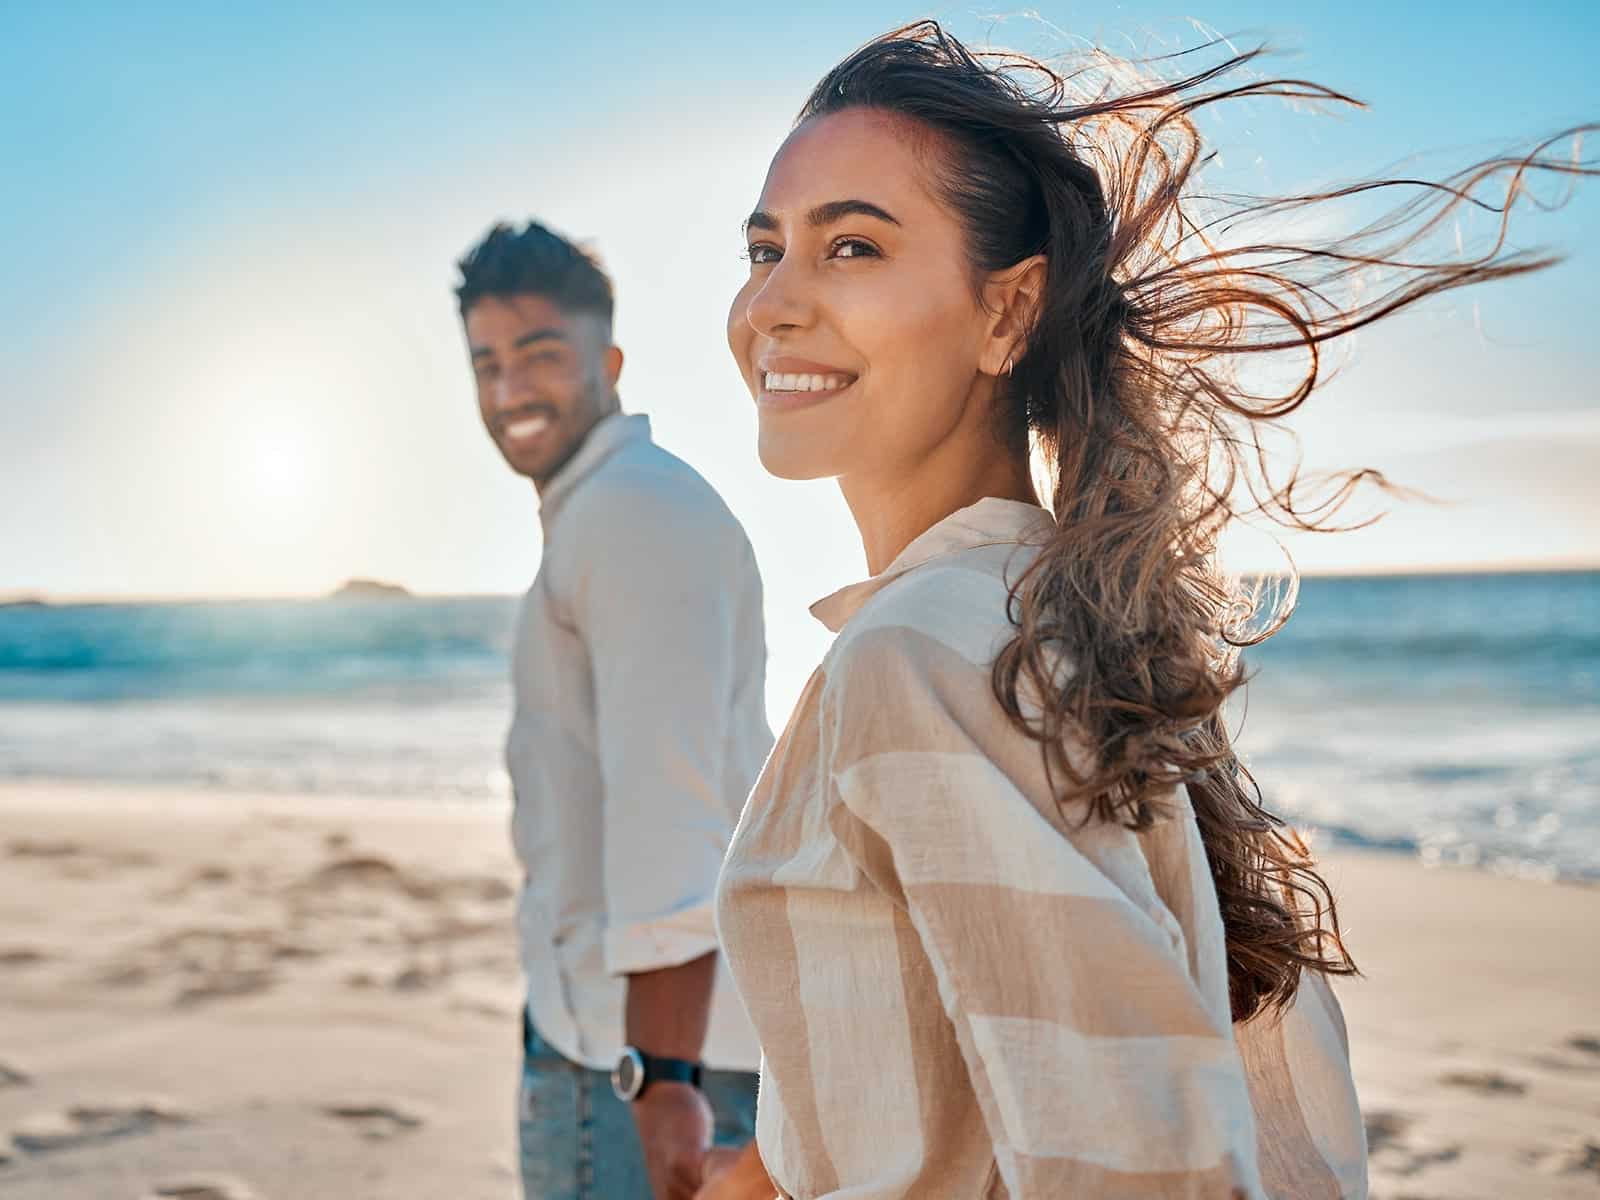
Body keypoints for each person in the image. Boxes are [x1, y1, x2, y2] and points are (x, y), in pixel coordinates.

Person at [710, 21, 1595, 1200]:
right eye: (762, 248)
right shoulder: (1045, 613)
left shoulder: (924, 655)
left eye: (852, 248)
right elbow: (971, 1049)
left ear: (1007, 315)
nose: (772, 301)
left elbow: (1135, 1161)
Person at [454, 221, 771, 1200]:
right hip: (606, 1037)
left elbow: (666, 805)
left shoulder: (633, 512)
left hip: (634, 1062)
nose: (509, 391)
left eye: (540, 354)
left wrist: (660, 1077)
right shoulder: (604, 512)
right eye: (486, 362)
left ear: (611, 360)